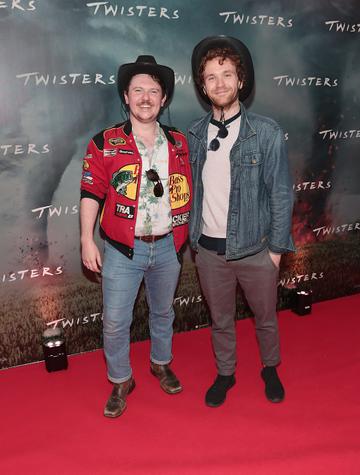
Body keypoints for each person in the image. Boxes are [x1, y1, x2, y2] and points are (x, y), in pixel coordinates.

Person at [80, 55, 192, 418]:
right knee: (115, 320)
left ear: (164, 99)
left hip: (168, 246)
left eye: (154, 91)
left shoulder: (179, 142)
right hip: (121, 251)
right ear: (125, 97)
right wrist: (86, 239)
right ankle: (121, 379)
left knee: (163, 312)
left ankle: (161, 362)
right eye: (138, 90)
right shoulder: (104, 142)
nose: (146, 97)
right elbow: (90, 192)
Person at [188, 36, 295, 407]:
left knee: (265, 318)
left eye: (227, 74)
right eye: (211, 77)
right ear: (203, 86)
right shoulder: (194, 135)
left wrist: (277, 252)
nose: (220, 83)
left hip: (255, 250)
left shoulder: (265, 132)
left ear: (241, 80)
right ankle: (226, 373)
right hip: (209, 251)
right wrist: (195, 245)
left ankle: (270, 368)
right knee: (220, 321)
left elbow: (281, 193)